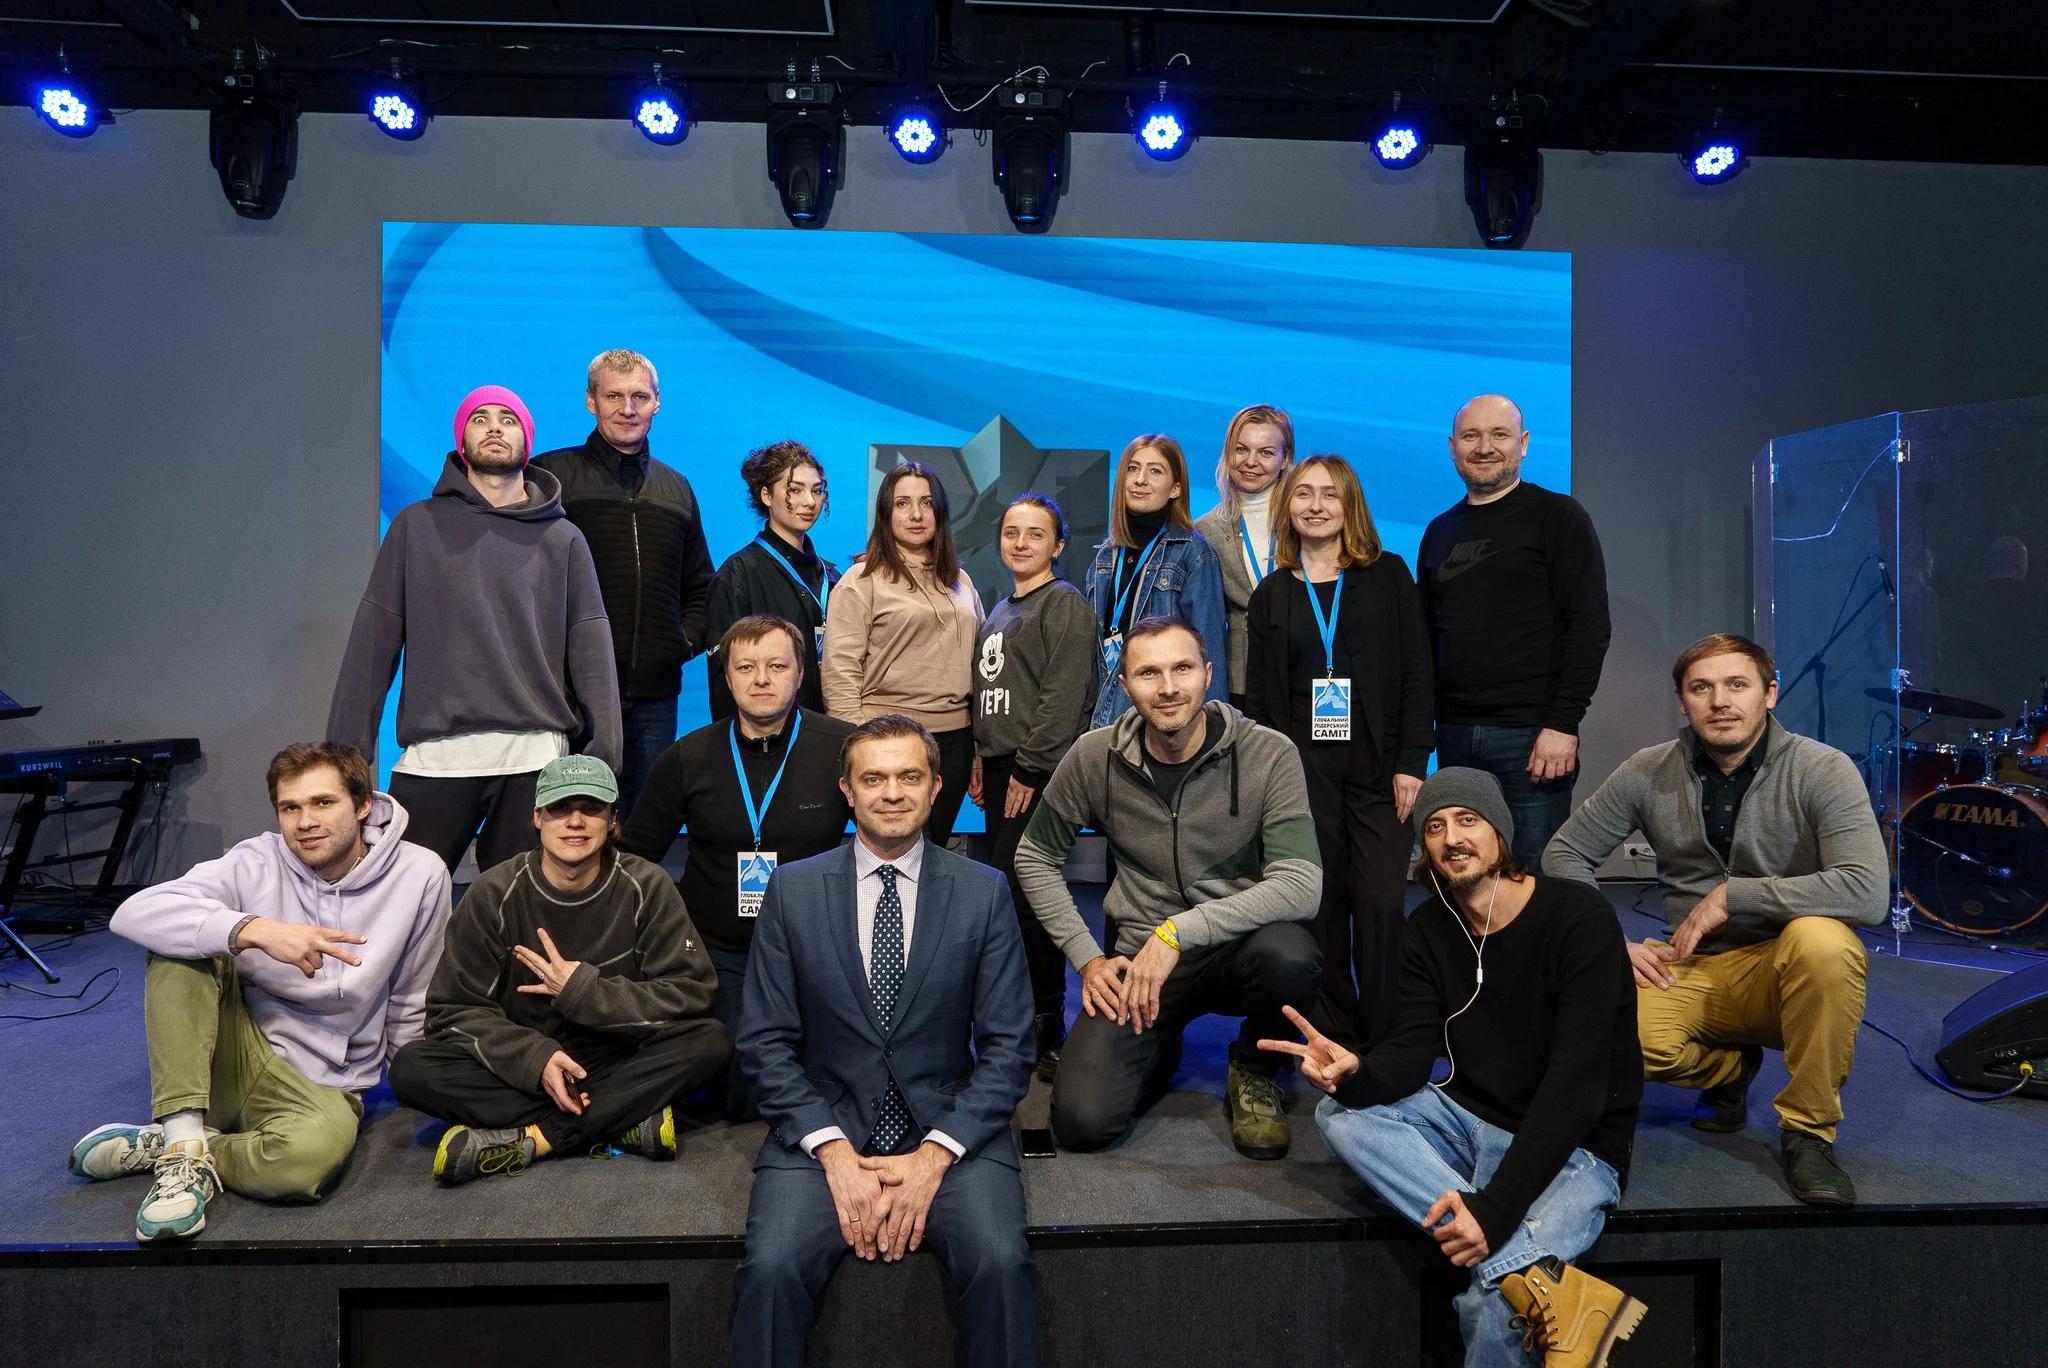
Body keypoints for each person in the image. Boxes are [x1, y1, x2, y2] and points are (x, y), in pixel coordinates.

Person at [1278, 768, 1646, 1368]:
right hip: (1470, 1118)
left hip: (1578, 1147)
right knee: (1339, 1114)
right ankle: (1538, 1276)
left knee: (1495, 1302)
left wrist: (1494, 1214)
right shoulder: (1429, 926)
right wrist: (1356, 1071)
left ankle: (1506, 1258)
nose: (1452, 838)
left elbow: (1577, 1088)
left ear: (1500, 831)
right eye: (1435, 827)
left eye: (1468, 820)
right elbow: (1410, 1053)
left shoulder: (1579, 916)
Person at [732, 716, 1036, 1368]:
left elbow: (1010, 1048)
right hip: (824, 1129)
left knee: (1002, 1264)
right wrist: (832, 1151)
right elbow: (763, 1042)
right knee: (771, 1270)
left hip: (951, 1128)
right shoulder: (792, 891)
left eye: (908, 777)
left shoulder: (984, 893)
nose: (892, 793)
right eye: (873, 779)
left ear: (935, 789)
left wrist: (936, 1154)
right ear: (847, 791)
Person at [1544, 633, 1888, 1208]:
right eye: (1700, 688)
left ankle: (1808, 1132)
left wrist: (1735, 896)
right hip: (1691, 964)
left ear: (1769, 694)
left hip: (1787, 968)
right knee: (1599, 1037)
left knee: (1824, 942)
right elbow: (1564, 852)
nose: (1719, 701)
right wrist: (1607, 941)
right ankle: (1728, 1069)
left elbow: (1868, 891)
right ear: (1683, 702)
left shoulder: (1823, 769)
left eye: (1737, 685)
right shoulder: (1648, 770)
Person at [73, 744, 449, 1241]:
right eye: (290, 808)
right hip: (238, 1055)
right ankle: (183, 1146)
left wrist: (416, 1085)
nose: (305, 822)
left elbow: (412, 993)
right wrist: (254, 929)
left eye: (323, 803)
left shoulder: (420, 873)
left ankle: (177, 1146)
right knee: (179, 946)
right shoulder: (255, 859)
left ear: (362, 805)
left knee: (304, 1165)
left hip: (326, 1084)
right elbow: (134, 913)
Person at [1012, 616, 1323, 1159]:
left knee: (1291, 956)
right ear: (1125, 684)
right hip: (1141, 966)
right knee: (1083, 1123)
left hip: (1237, 950)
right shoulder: (1094, 756)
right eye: (1148, 673)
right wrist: (1087, 958)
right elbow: (1034, 856)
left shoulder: (1269, 753)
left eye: (1182, 669)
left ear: (1208, 674)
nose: (1168, 687)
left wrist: (1178, 931)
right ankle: (1161, 1045)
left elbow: (1301, 884)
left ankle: (1254, 1068)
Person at [388, 755, 730, 1184]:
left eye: (591, 808)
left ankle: (542, 1136)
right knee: (412, 1067)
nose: (575, 821)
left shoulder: (647, 884)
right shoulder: (492, 892)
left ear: (612, 819)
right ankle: (619, 1118)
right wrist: (535, 1058)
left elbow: (691, 990)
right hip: (523, 1065)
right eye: (560, 808)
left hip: (617, 1058)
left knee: (710, 1041)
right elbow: (453, 1009)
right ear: (538, 817)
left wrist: (583, 992)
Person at [328, 384, 622, 873]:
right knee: (398, 905)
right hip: (435, 759)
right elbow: (372, 646)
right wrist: (344, 763)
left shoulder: (563, 538)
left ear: (526, 439)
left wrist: (604, 753)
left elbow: (591, 648)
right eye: (479, 418)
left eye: (508, 419)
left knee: (521, 910)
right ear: (461, 441)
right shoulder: (415, 526)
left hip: (535, 761)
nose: (494, 428)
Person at [618, 615, 855, 1119]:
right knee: (748, 1086)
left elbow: (890, 836)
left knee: (842, 1071)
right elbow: (634, 859)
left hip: (816, 950)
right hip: (720, 954)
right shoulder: (688, 757)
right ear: (727, 678)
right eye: (746, 667)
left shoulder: (842, 749)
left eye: (776, 666)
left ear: (801, 673)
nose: (761, 679)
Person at [1245, 455, 1432, 1048]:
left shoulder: (1388, 575)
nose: (1317, 505)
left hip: (1379, 768)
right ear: (1287, 506)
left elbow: (1418, 672)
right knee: (1319, 901)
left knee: (1379, 903)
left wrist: (1412, 762)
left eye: (1330, 494)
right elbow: (1260, 699)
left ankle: (1384, 1037)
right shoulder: (1272, 593)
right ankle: (1334, 1031)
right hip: (1303, 773)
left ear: (1350, 506)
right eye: (1304, 493)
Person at [1418, 395, 1610, 868]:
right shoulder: (1439, 531)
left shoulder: (1558, 516)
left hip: (1533, 736)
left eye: (1499, 435)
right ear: (1452, 447)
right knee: (1465, 873)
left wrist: (1562, 725)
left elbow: (1588, 626)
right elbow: (1425, 638)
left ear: (1522, 444)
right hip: (1455, 734)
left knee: (1532, 875)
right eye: (1471, 436)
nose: (1485, 447)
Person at [533, 350, 715, 817]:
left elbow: (701, 587)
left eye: (640, 397)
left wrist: (679, 644)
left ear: (657, 402)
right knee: (567, 823)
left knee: (642, 827)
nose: (628, 409)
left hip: (655, 698)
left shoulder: (677, 488)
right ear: (591, 401)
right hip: (567, 698)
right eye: (614, 396)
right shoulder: (551, 476)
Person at [970, 494, 1100, 1079]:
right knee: (1010, 895)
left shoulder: (1063, 603)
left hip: (1038, 771)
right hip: (1003, 767)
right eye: (1011, 533)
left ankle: (1047, 1022)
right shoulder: (1001, 609)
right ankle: (1014, 1019)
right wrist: (982, 754)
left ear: (1059, 545)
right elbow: (991, 693)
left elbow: (1063, 695)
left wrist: (1029, 767)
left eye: (1036, 534)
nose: (1021, 543)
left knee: (1028, 894)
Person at [821, 461, 984, 845]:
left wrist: (979, 748)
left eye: (926, 503)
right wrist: (859, 747)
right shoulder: (861, 580)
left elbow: (979, 668)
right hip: (885, 738)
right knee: (891, 852)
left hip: (954, 742)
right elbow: (840, 672)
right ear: (885, 513)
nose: (916, 514)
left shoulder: (960, 581)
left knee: (933, 853)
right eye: (902, 503)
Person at [1082, 434, 1230, 729]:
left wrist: (1211, 736)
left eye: (1155, 471)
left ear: (1175, 489)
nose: (1140, 480)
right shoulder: (1104, 559)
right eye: (1133, 468)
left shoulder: (1193, 554)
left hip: (1163, 723)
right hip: (1104, 723)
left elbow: (1208, 656)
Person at [703, 440, 840, 720]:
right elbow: (725, 681)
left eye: (817, 490)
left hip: (827, 726)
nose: (810, 501)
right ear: (766, 495)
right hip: (767, 730)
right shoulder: (738, 575)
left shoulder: (831, 576)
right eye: (795, 490)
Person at [1193, 405, 1294, 708]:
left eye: (1266, 452)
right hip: (1240, 679)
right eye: (1241, 449)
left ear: (1285, 458)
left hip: (1304, 668)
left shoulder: (1306, 519)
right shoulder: (1204, 530)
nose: (1251, 461)